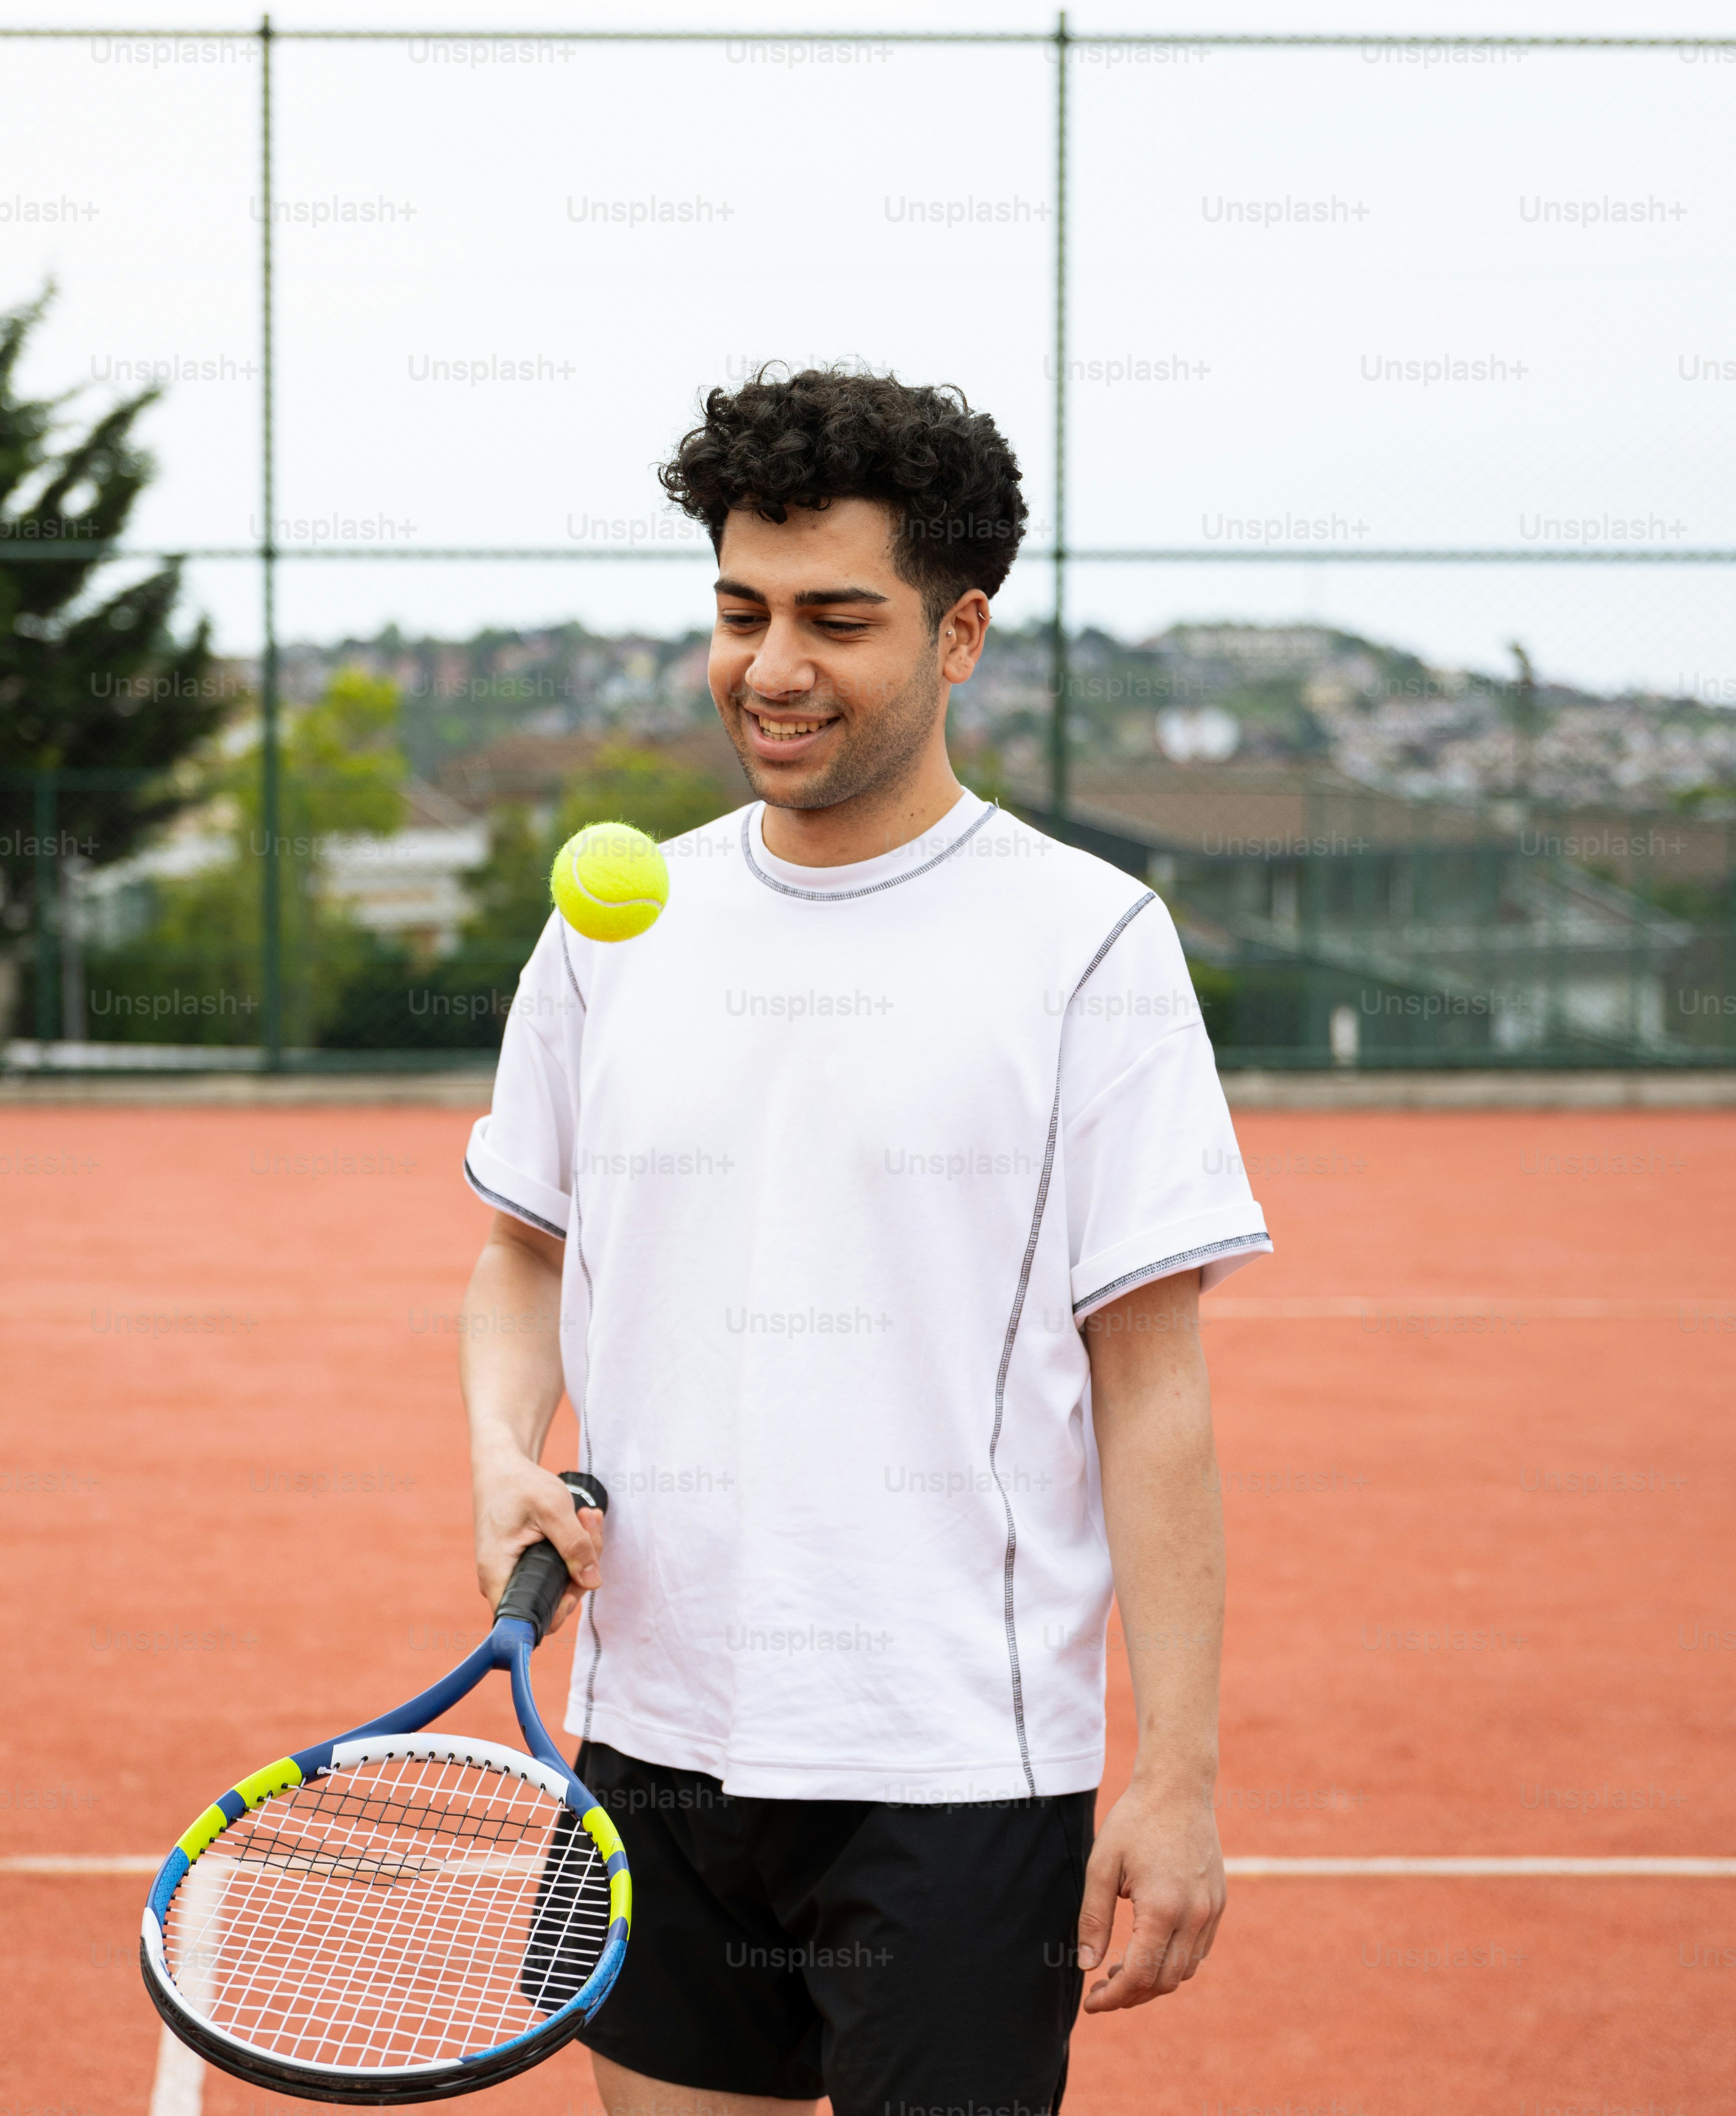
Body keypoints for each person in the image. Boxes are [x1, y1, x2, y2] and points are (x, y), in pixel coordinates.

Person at [458, 367, 1269, 2115]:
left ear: (960, 634)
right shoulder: (618, 927)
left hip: (954, 1763)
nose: (771, 667)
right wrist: (494, 1456)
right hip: (651, 1744)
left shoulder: (1087, 943)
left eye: (838, 617)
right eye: (740, 612)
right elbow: (522, 1254)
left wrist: (1178, 1772)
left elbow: (1154, 1385)